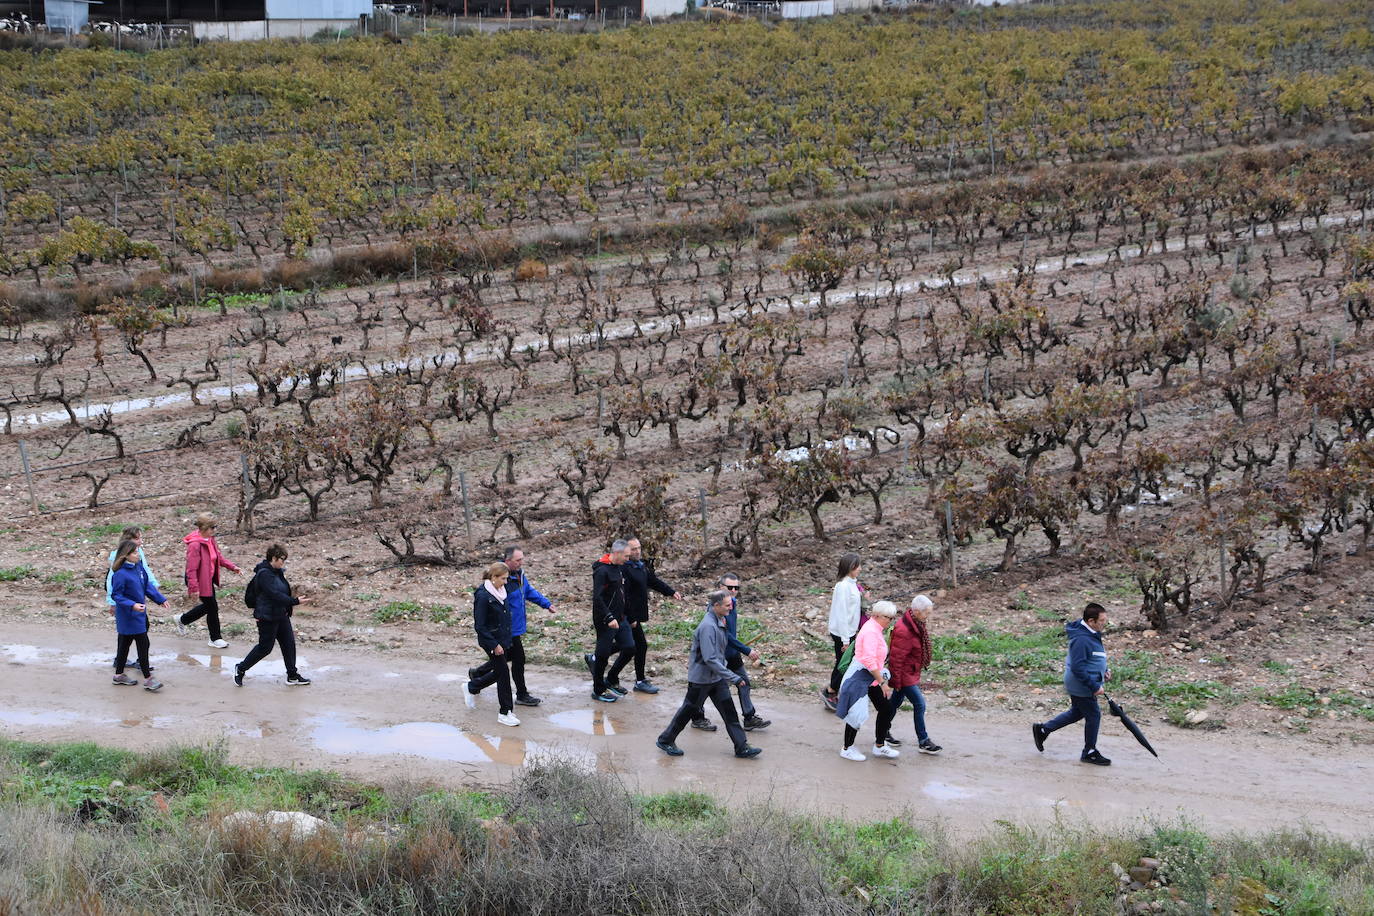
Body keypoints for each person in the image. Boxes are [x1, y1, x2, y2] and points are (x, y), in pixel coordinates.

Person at [654, 590, 762, 759]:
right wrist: (733, 677)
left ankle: (742, 747)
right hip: (701, 680)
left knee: (730, 713)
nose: (731, 607)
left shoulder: (720, 620)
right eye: (727, 605)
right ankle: (666, 740)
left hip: (717, 678)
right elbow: (710, 659)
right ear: (716, 606)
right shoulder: (708, 627)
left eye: (731, 604)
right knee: (687, 712)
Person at [1033, 603, 1112, 766]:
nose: (1105, 624)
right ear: (1091, 621)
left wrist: (1104, 669)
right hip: (1081, 684)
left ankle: (1043, 730)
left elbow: (1093, 656)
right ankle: (1089, 751)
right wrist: (1094, 686)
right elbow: (1077, 666)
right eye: (1102, 621)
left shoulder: (1090, 632)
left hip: (1083, 681)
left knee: (1077, 712)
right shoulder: (1082, 639)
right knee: (1093, 715)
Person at [690, 573, 770, 732]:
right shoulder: (715, 609)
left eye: (736, 587)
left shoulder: (732, 603)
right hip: (718, 655)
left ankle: (749, 717)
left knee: (744, 682)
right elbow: (727, 634)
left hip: (732, 653)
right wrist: (746, 650)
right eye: (730, 587)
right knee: (705, 689)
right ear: (721, 588)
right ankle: (697, 717)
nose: (734, 590)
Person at [233, 544, 311, 687]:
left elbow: (282, 592)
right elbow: (274, 594)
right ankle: (241, 668)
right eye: (282, 559)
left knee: (289, 644)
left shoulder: (277, 572)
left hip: (281, 614)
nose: (283, 562)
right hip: (266, 616)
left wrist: (288, 606)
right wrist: (294, 601)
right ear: (273, 558)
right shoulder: (264, 574)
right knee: (265, 648)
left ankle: (292, 675)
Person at [611, 537, 680, 695]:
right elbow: (624, 596)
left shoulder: (640, 566)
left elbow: (653, 581)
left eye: (638, 548)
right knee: (638, 646)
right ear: (626, 551)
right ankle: (639, 681)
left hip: (635, 614)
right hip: (627, 614)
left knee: (627, 645)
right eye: (633, 549)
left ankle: (597, 658)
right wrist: (632, 618)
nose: (637, 551)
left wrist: (671, 592)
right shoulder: (625, 569)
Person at [834, 599, 899, 761]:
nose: (890, 621)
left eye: (892, 618)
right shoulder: (870, 631)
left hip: (870, 677)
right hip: (859, 677)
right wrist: (883, 683)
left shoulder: (875, 629)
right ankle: (847, 748)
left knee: (886, 709)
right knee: (855, 714)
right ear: (877, 615)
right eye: (888, 617)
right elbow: (869, 660)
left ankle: (879, 745)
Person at [464, 561, 520, 727]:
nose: (505, 582)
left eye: (506, 578)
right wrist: (494, 644)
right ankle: (505, 712)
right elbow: (480, 626)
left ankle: (472, 687)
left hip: (502, 639)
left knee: (500, 671)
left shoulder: (501, 591)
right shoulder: (483, 596)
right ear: (493, 577)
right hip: (491, 642)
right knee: (503, 673)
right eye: (503, 578)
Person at [175, 512, 242, 648]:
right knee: (212, 607)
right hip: (197, 581)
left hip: (207, 579)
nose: (215, 530)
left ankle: (182, 619)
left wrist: (232, 567)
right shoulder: (195, 545)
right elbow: (191, 569)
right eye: (213, 527)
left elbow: (218, 557)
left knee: (210, 607)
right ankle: (215, 638)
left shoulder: (210, 540)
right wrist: (194, 588)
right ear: (204, 528)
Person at [499, 545, 555, 707]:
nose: (521, 562)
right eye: (518, 560)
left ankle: (477, 675)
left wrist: (546, 604)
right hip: (505, 627)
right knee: (517, 659)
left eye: (522, 559)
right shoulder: (500, 578)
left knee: (507, 658)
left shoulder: (519, 575)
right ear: (507, 560)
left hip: (515, 626)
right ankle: (521, 694)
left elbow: (529, 592)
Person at [109, 538, 167, 692]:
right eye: (134, 553)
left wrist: (160, 599)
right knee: (141, 644)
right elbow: (117, 595)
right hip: (127, 615)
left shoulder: (138, 568)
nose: (138, 555)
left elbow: (147, 586)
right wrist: (132, 605)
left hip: (139, 614)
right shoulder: (120, 574)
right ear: (125, 555)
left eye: (137, 552)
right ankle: (148, 679)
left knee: (124, 646)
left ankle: (118, 675)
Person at [887, 595, 942, 754]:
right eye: (926, 613)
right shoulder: (904, 630)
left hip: (910, 672)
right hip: (904, 675)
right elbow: (896, 659)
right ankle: (923, 741)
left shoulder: (916, 624)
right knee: (920, 704)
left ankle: (882, 731)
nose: (928, 616)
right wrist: (896, 681)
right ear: (916, 611)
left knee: (894, 704)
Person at [584, 539, 634, 703]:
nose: (628, 559)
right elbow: (597, 598)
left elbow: (621, 594)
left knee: (629, 647)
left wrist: (629, 616)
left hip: (621, 618)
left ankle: (611, 678)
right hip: (606, 620)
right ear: (617, 553)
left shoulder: (618, 568)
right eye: (626, 556)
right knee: (603, 656)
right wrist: (608, 617)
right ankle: (598, 690)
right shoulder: (602, 571)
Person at [821, 553, 863, 711]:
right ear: (850, 567)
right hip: (842, 632)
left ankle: (834, 690)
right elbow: (841, 613)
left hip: (850, 631)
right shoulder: (843, 586)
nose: (860, 569)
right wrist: (846, 640)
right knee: (843, 663)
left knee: (844, 662)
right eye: (857, 566)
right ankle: (831, 691)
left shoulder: (852, 584)